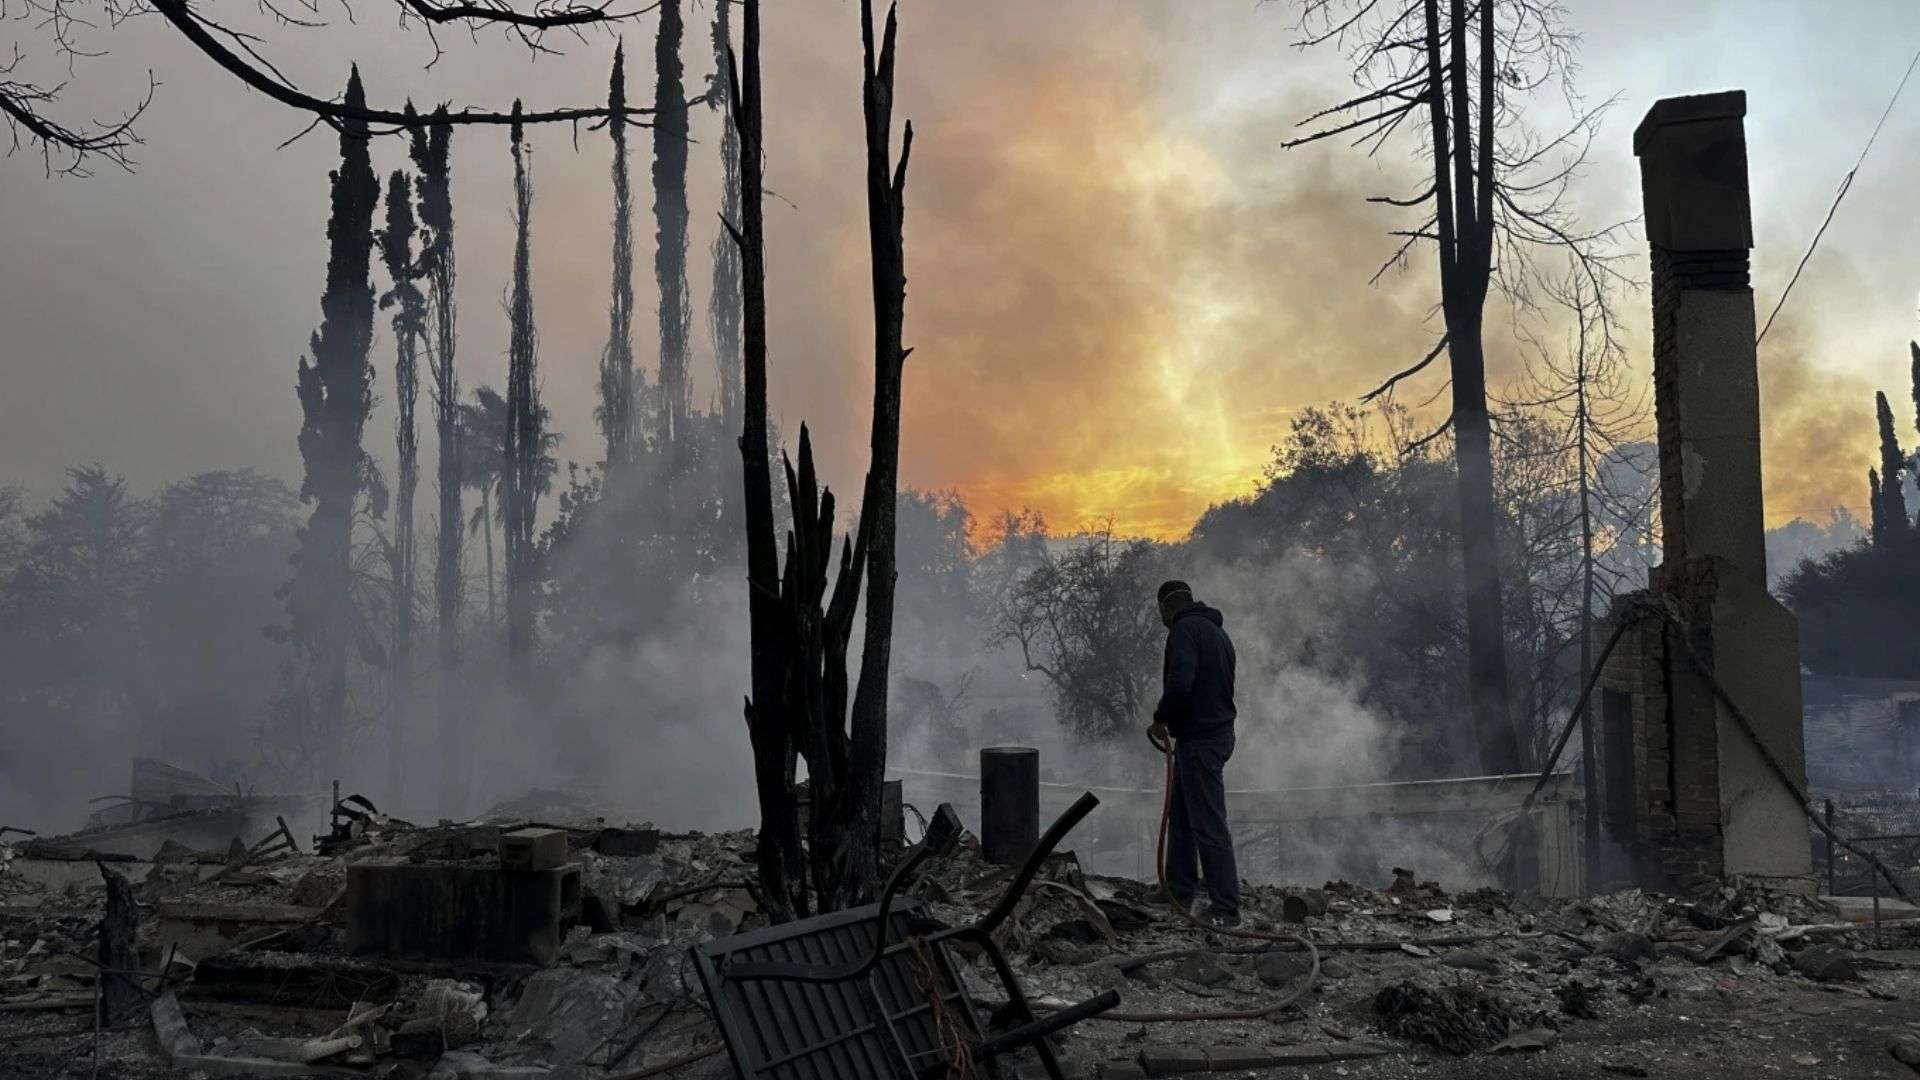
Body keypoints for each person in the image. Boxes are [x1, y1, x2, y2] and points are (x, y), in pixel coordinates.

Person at [1148, 579, 1241, 928]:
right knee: (1183, 818)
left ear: (1165, 607)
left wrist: (1160, 719)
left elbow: (1180, 683)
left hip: (1201, 740)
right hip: (1212, 735)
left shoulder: (1184, 631)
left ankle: (1226, 910)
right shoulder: (1218, 633)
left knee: (1208, 825)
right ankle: (1179, 888)